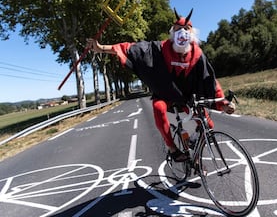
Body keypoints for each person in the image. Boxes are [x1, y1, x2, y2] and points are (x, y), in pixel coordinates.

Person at [87, 8, 235, 162]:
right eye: (178, 29)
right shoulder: (159, 49)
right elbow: (130, 48)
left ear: (192, 33)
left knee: (207, 124)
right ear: (172, 32)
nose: (182, 32)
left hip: (187, 97)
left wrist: (222, 103)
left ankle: (196, 157)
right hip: (165, 94)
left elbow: (209, 80)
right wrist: (100, 48)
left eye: (186, 29)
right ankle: (173, 149)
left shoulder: (198, 55)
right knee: (158, 108)